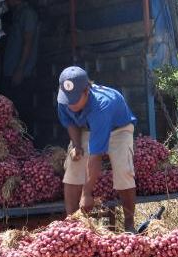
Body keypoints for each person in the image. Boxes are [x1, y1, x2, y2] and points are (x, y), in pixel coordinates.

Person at [57, 66, 138, 233]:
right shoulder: (64, 100)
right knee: (73, 165)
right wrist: (77, 145)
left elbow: (96, 156)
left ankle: (130, 224)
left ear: (87, 91)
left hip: (119, 130)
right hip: (87, 128)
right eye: (67, 99)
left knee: (123, 170)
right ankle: (72, 224)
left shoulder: (101, 106)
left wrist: (87, 194)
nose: (70, 104)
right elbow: (70, 122)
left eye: (74, 100)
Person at [0, 0, 39, 118]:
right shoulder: (16, 14)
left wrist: (20, 69)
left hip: (21, 75)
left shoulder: (28, 14)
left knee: (21, 114)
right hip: (10, 72)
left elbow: (28, 43)